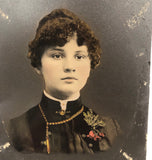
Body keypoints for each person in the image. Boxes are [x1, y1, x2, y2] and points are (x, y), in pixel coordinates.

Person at [8, 8, 121, 154]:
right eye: (57, 56)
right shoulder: (14, 130)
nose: (69, 67)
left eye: (79, 57)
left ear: (90, 63)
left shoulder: (112, 130)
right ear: (38, 65)